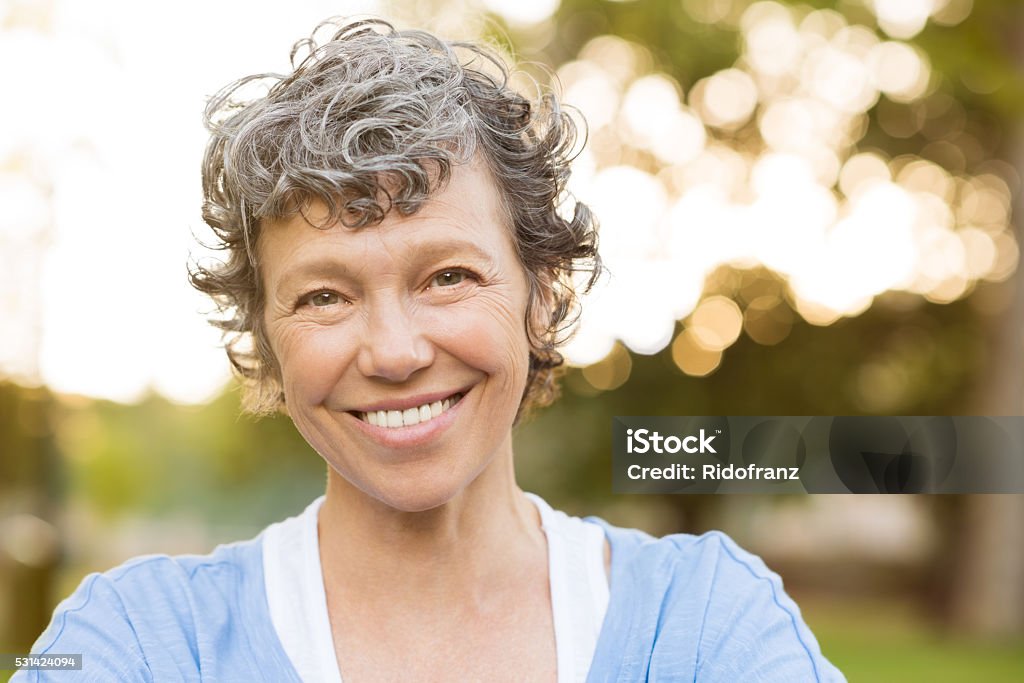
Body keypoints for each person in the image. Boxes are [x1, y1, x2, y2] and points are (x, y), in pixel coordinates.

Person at [18, 18, 845, 682]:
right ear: (265, 339)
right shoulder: (140, 643)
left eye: (447, 276)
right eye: (324, 296)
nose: (394, 350)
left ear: (543, 293)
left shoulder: (705, 623)